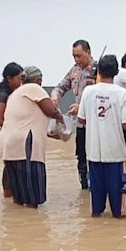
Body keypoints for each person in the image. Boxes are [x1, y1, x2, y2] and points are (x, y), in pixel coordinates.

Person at [0, 66, 64, 208]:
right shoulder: (34, 88)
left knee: (19, 197)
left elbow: (25, 119)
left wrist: (47, 133)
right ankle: (33, 225)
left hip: (8, 145)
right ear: (38, 80)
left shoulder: (15, 94)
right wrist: (63, 120)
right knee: (32, 195)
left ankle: (17, 225)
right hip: (24, 145)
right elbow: (51, 110)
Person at [78, 55, 126, 218]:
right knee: (119, 210)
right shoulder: (123, 94)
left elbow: (81, 119)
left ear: (99, 71)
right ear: (116, 72)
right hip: (115, 153)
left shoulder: (88, 92)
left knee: (96, 209)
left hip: (94, 152)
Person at [51, 40, 96, 189]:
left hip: (96, 123)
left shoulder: (98, 71)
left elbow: (101, 96)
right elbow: (61, 86)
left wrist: (82, 106)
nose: (76, 59)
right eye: (74, 56)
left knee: (95, 157)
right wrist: (55, 95)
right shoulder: (74, 70)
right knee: (81, 156)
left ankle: (96, 186)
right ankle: (84, 188)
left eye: (79, 56)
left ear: (88, 52)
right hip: (81, 124)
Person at [0, 62, 24, 198]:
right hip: (9, 136)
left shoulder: (15, 93)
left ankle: (12, 196)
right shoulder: (4, 95)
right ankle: (7, 195)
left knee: (14, 168)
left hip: (14, 134)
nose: (21, 82)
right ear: (9, 79)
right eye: (19, 78)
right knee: (10, 168)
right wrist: (15, 128)